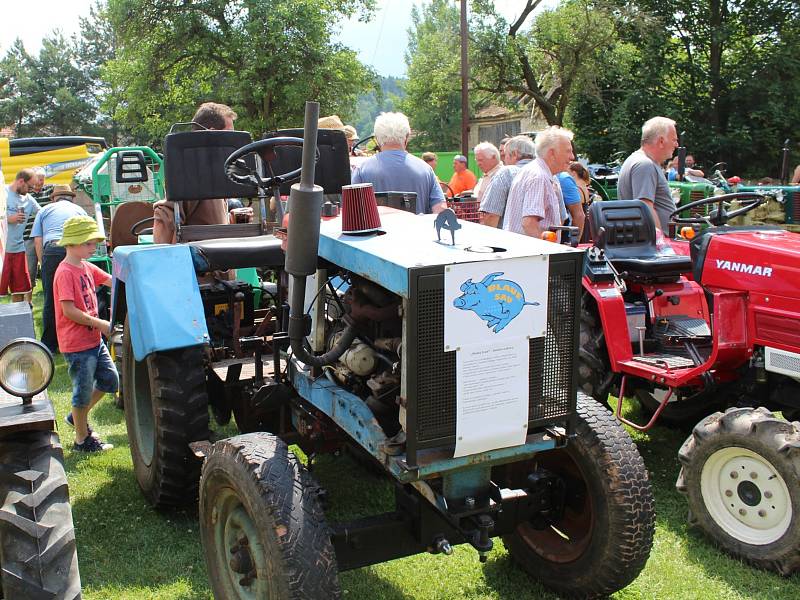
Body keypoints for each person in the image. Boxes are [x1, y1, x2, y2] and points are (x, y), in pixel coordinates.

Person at [53, 215, 117, 452]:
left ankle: (75, 418)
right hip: (77, 344)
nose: (94, 248)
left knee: (110, 380)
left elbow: (111, 280)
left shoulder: (86, 266)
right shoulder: (65, 272)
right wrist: (100, 323)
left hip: (93, 340)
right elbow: (68, 311)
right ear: (74, 242)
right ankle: (82, 440)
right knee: (81, 393)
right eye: (89, 243)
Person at [152, 102, 237, 244]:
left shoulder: (215, 172)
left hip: (220, 260)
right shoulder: (192, 172)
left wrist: (231, 221)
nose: (234, 142)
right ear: (212, 134)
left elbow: (206, 220)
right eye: (230, 135)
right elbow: (164, 215)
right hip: (202, 261)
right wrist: (166, 260)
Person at [351, 112, 446, 214]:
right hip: (417, 229)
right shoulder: (426, 170)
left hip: (378, 230)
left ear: (377, 139)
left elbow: (352, 211)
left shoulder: (362, 169)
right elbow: (441, 210)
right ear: (406, 137)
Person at [31, 184, 88, 353]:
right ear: (71, 197)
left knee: (51, 298)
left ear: (54, 198)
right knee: (78, 296)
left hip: (53, 249)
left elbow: (37, 240)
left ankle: (49, 345)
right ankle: (80, 340)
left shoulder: (45, 210)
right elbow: (87, 236)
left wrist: (43, 262)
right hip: (74, 248)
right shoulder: (79, 210)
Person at [503, 126, 575, 241]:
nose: (572, 157)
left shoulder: (540, 173)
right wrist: (549, 248)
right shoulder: (539, 177)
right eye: (568, 151)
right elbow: (529, 224)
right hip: (532, 255)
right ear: (552, 153)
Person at [617, 116, 679, 232]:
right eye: (674, 140)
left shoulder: (641, 161)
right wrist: (661, 243)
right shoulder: (645, 165)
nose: (676, 145)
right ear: (661, 141)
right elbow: (645, 207)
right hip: (652, 244)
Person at [1, 169, 41, 303]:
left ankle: (15, 322)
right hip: (2, 250)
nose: (31, 190)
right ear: (21, 181)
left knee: (20, 291)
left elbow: (42, 214)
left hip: (18, 250)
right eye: (29, 187)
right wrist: (7, 219)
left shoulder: (29, 199)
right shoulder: (3, 193)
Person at [479, 135, 535, 228]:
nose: (503, 159)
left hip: (510, 239)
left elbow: (491, 214)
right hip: (545, 239)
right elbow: (561, 216)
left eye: (505, 155)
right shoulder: (549, 175)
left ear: (515, 154)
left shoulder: (506, 173)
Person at [24, 167, 46, 303]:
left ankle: (51, 297)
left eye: (42, 180)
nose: (40, 183)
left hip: (45, 237)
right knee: (30, 270)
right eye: (37, 180)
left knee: (48, 266)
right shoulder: (24, 194)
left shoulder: (50, 191)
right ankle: (28, 302)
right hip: (29, 238)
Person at [556, 168, 586, 240]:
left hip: (558, 239)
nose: (572, 156)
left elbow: (579, 215)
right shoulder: (564, 179)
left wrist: (573, 243)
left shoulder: (563, 179)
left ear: (574, 173)